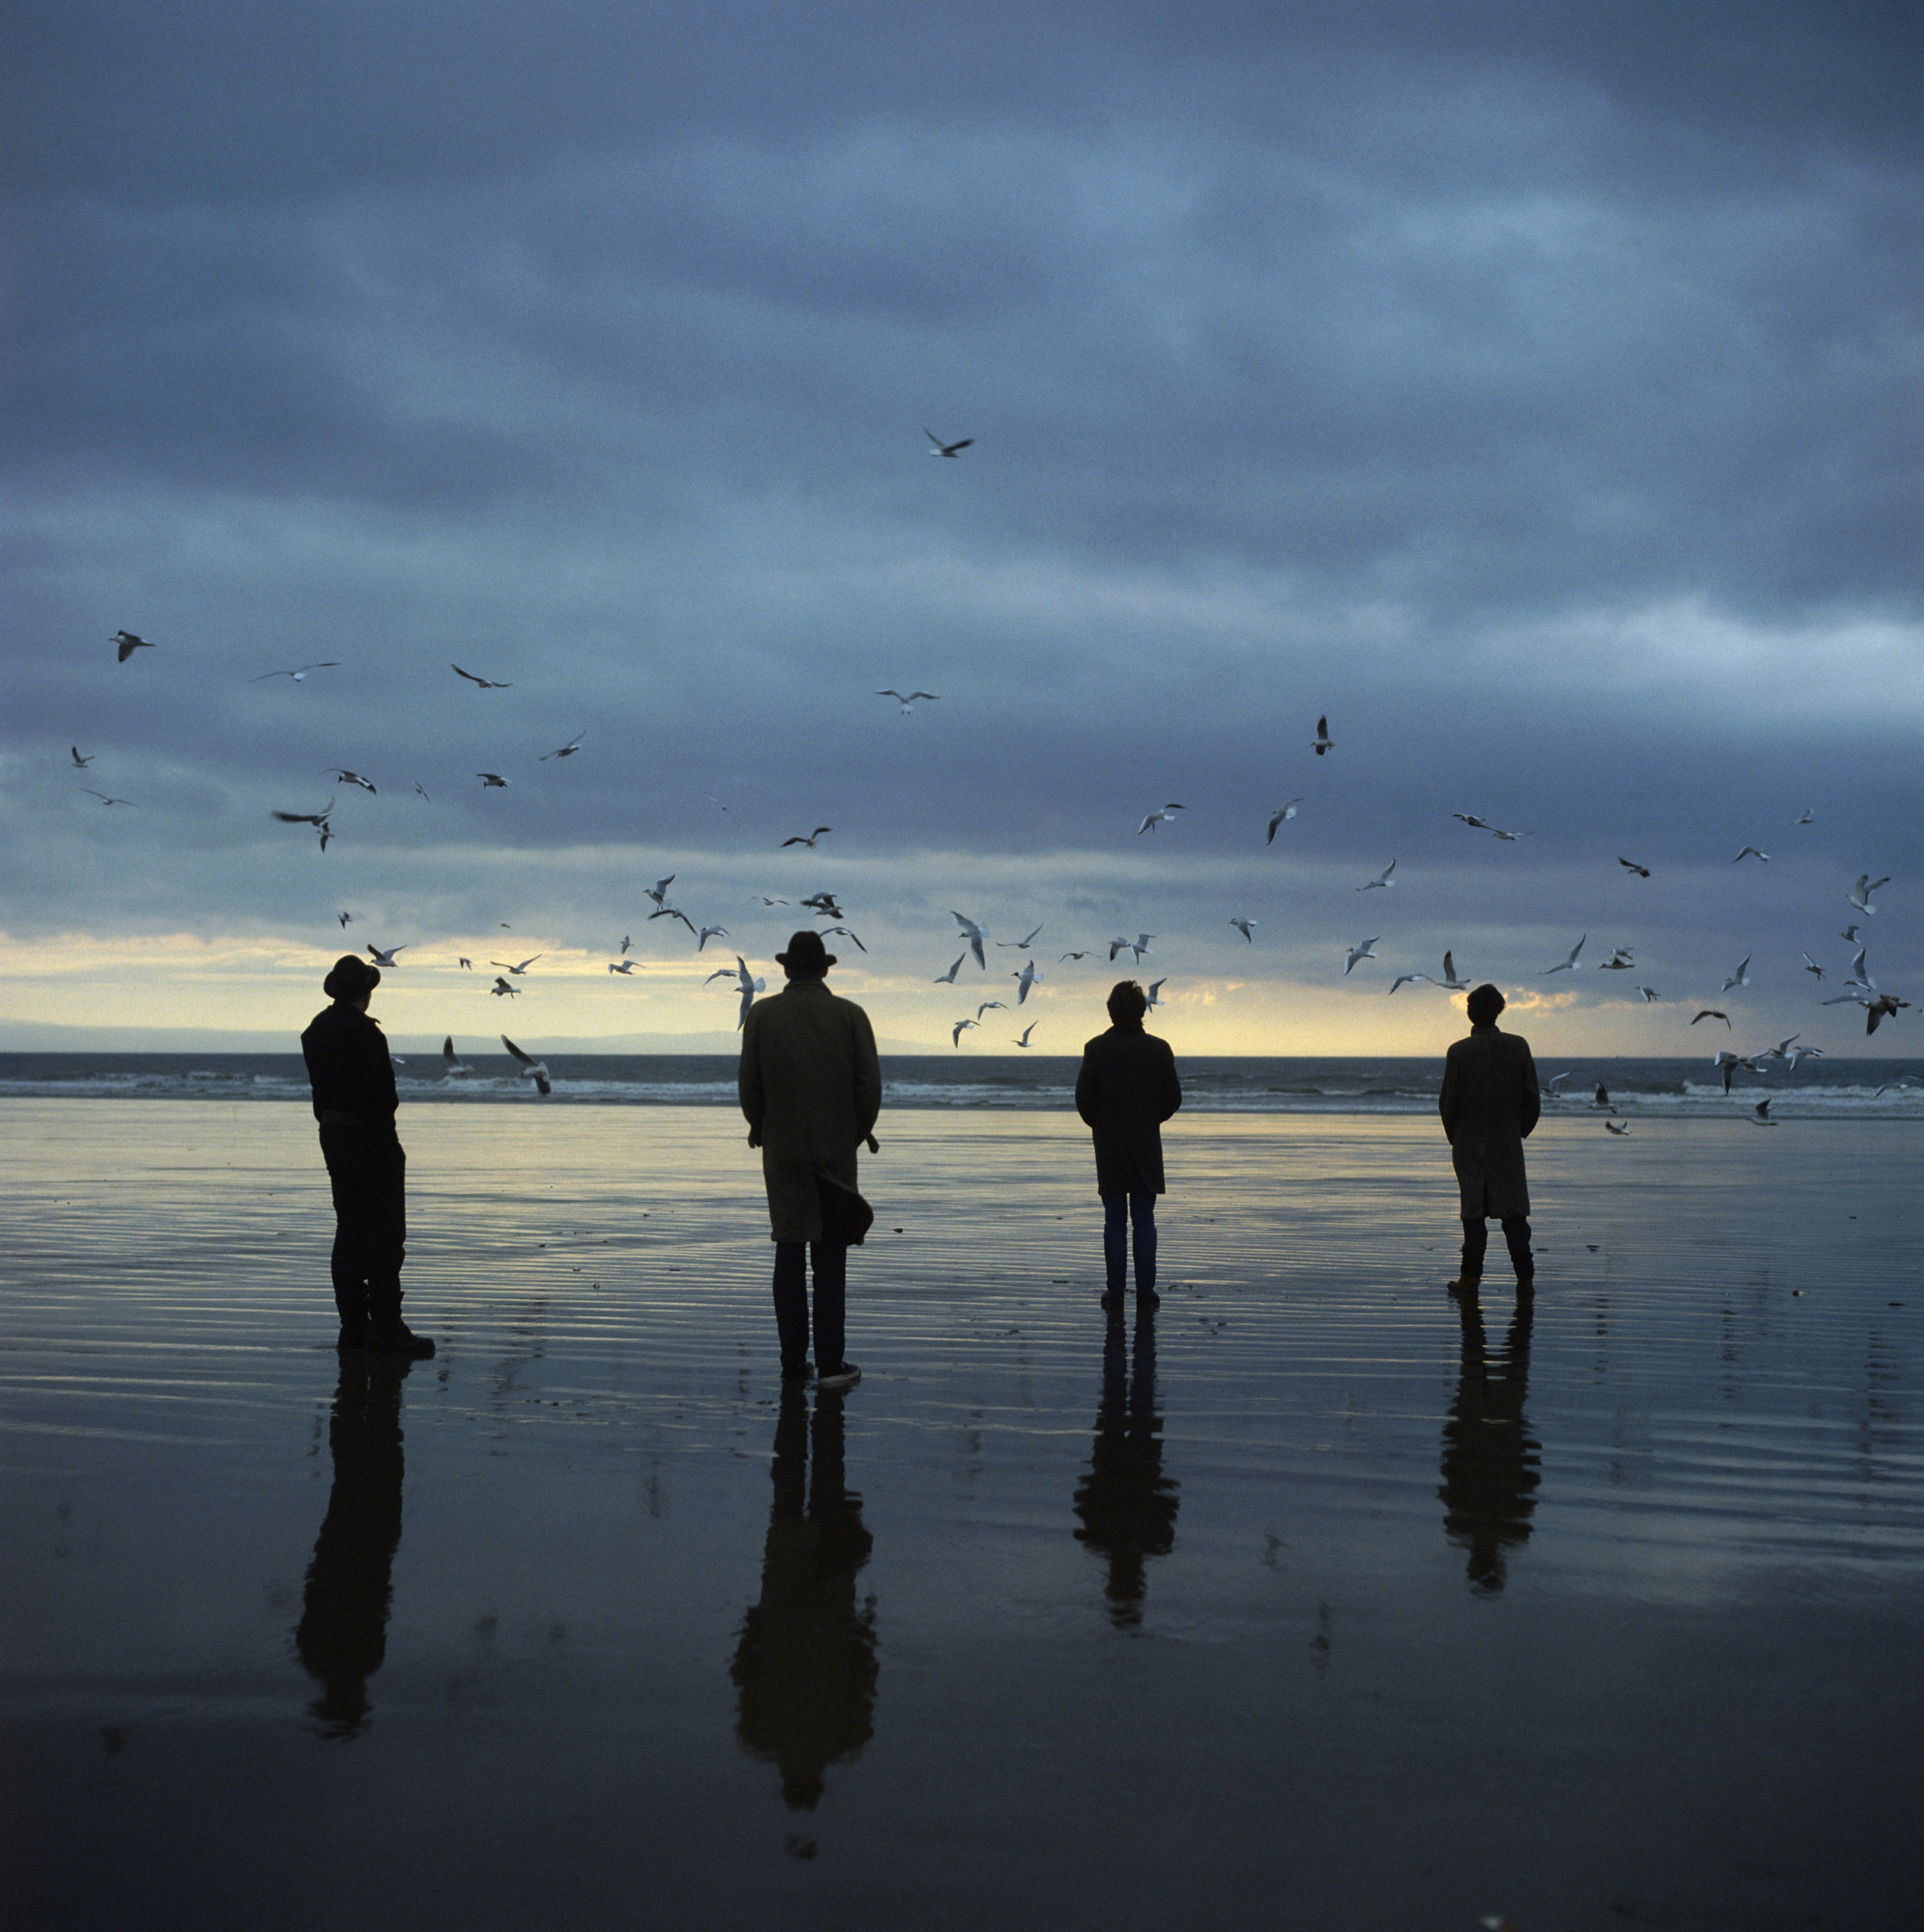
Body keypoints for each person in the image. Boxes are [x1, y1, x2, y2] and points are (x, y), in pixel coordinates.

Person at [738, 930, 881, 1388]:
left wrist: (761, 1126)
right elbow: (869, 1089)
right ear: (824, 969)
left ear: (785, 969)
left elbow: (749, 1087)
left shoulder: (761, 1016)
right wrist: (853, 1135)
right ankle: (832, 1364)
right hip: (836, 1152)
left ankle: (792, 1361)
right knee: (830, 1257)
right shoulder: (851, 1016)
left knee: (788, 1249)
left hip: (783, 1151)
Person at [300, 955, 433, 1356]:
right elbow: (384, 1098)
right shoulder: (367, 1034)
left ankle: (354, 1328)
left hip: (334, 1135)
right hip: (371, 1139)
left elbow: (320, 1097)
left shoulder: (315, 1031)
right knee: (387, 1234)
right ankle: (388, 1328)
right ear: (366, 991)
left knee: (350, 1231)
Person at [1075, 980, 1182, 1313]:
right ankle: (1146, 1291)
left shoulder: (1095, 1049)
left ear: (1110, 1012)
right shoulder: (1160, 1049)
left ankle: (1116, 1291)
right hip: (1146, 1143)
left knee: (1115, 1219)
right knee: (1144, 1218)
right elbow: (1173, 1099)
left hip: (1110, 1145)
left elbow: (1084, 1101)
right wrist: (1150, 1120)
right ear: (1142, 1011)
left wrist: (1105, 1125)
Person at [1439, 982, 1540, 1293]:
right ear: (1498, 1012)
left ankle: (1470, 1279)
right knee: (1514, 1215)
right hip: (1507, 1143)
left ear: (1470, 1013)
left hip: (1468, 1143)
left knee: (1473, 1214)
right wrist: (1518, 1131)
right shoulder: (1518, 1046)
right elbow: (1532, 1099)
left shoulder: (1458, 1052)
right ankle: (1525, 1279)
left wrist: (1456, 1137)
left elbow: (1448, 1103)